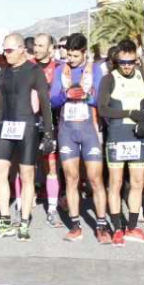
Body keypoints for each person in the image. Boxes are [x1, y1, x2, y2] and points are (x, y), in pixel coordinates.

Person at [0, 33, 54, 241]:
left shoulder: (34, 71)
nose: (5, 54)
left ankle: (24, 222)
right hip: (6, 126)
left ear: (21, 49)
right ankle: (5, 220)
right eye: (3, 50)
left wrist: (49, 133)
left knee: (27, 175)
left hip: (28, 127)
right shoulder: (3, 73)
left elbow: (45, 103)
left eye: (9, 50)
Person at [49, 33, 110, 244]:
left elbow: (102, 100)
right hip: (67, 132)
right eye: (69, 55)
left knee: (95, 178)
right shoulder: (61, 70)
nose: (71, 59)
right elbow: (52, 100)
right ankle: (75, 226)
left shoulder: (96, 70)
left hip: (89, 130)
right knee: (71, 178)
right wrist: (65, 95)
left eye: (75, 56)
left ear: (84, 52)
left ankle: (101, 226)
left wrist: (87, 96)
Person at [96, 39, 144, 246]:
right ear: (117, 61)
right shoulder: (109, 79)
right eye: (123, 62)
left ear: (136, 60)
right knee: (116, 183)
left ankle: (132, 227)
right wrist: (129, 113)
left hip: (138, 136)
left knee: (138, 182)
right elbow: (102, 109)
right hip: (117, 134)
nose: (127, 66)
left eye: (131, 62)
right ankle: (117, 229)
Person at [30, 33, 62, 228]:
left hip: (51, 121)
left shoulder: (59, 68)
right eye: (35, 44)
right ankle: (23, 206)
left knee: (51, 165)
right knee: (26, 165)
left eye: (41, 45)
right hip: (30, 121)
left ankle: (52, 209)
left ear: (50, 48)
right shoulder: (27, 66)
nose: (36, 48)